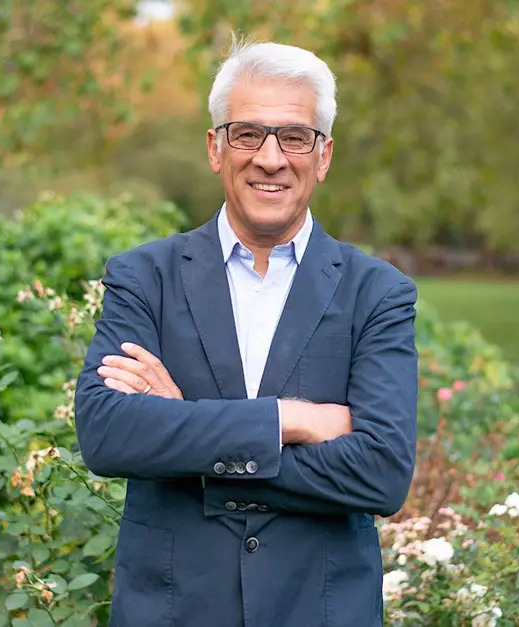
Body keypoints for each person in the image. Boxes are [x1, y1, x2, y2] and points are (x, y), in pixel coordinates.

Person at [74, 40, 418, 627]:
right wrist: (288, 420)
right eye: (247, 134)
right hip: (173, 611)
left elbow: (381, 472)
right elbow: (108, 434)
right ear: (215, 147)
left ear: (324, 155)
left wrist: (189, 432)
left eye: (294, 137)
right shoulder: (144, 278)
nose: (270, 157)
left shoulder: (378, 294)